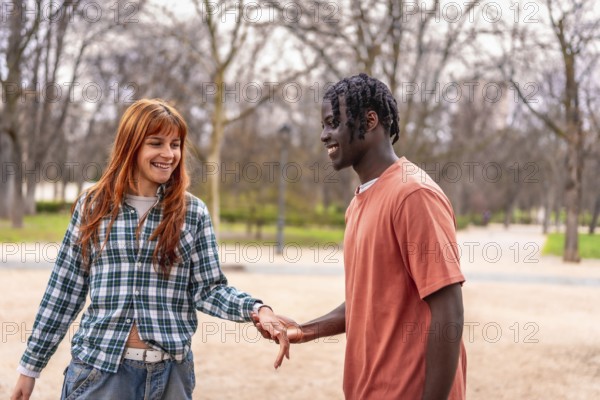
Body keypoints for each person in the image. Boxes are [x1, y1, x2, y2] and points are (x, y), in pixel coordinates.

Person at [11, 98, 289, 400]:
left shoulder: (192, 213)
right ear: (131, 146)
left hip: (170, 379)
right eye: (156, 143)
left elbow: (209, 289)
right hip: (99, 374)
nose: (168, 154)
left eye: (175, 144)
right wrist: (30, 369)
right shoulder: (93, 206)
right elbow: (63, 292)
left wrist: (257, 310)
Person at [255, 74, 467, 399]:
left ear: (369, 121)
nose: (324, 135)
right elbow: (367, 301)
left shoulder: (413, 194)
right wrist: (304, 330)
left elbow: (448, 309)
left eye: (332, 123)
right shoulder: (358, 203)